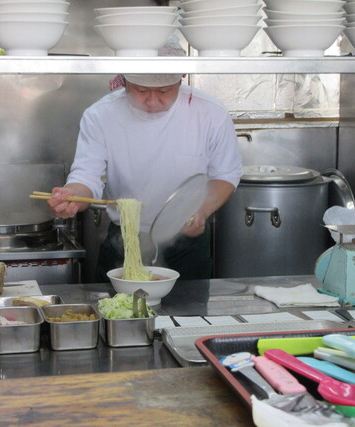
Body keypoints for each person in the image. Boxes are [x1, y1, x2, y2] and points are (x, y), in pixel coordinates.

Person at [48, 45, 243, 282]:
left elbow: (225, 174)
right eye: (140, 90)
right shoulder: (101, 115)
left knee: (188, 306)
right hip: (124, 238)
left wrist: (201, 211)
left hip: (187, 242)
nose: (152, 101)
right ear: (124, 82)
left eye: (164, 91)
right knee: (113, 304)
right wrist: (72, 196)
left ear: (180, 79)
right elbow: (86, 175)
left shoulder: (210, 113)